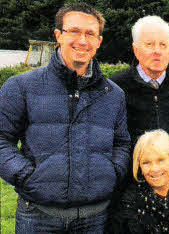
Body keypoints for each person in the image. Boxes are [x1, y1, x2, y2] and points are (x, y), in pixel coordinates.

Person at [0, 3, 130, 233]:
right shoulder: (21, 86)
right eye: (74, 31)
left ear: (99, 41)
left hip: (95, 219)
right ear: (58, 35)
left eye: (90, 34)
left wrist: (113, 172)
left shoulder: (114, 94)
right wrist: (26, 177)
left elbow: (121, 143)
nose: (82, 41)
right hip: (38, 216)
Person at [111, 16, 169, 174]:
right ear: (136, 49)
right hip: (130, 183)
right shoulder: (116, 87)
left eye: (163, 45)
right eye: (149, 44)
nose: (157, 51)